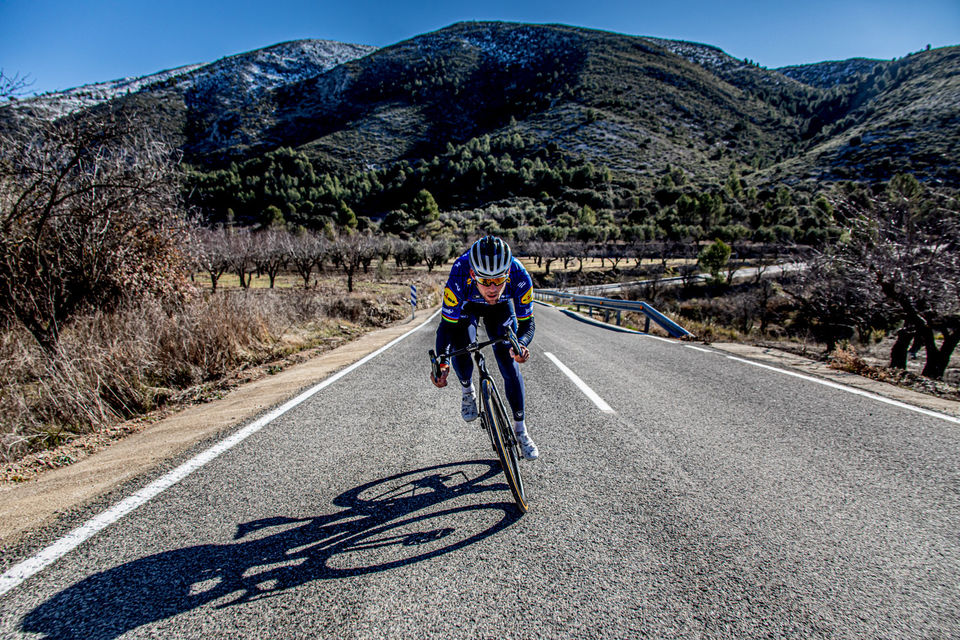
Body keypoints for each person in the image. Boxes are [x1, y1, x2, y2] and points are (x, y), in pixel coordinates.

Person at [430, 235, 539, 460]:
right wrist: (442, 361)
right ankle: (467, 389)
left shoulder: (519, 276)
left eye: (499, 280)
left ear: (507, 274)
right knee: (461, 345)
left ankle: (521, 431)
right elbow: (446, 327)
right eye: (485, 280)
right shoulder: (459, 273)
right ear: (473, 274)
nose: (492, 288)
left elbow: (527, 323)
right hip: (467, 307)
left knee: (508, 362)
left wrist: (522, 345)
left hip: (501, 309)